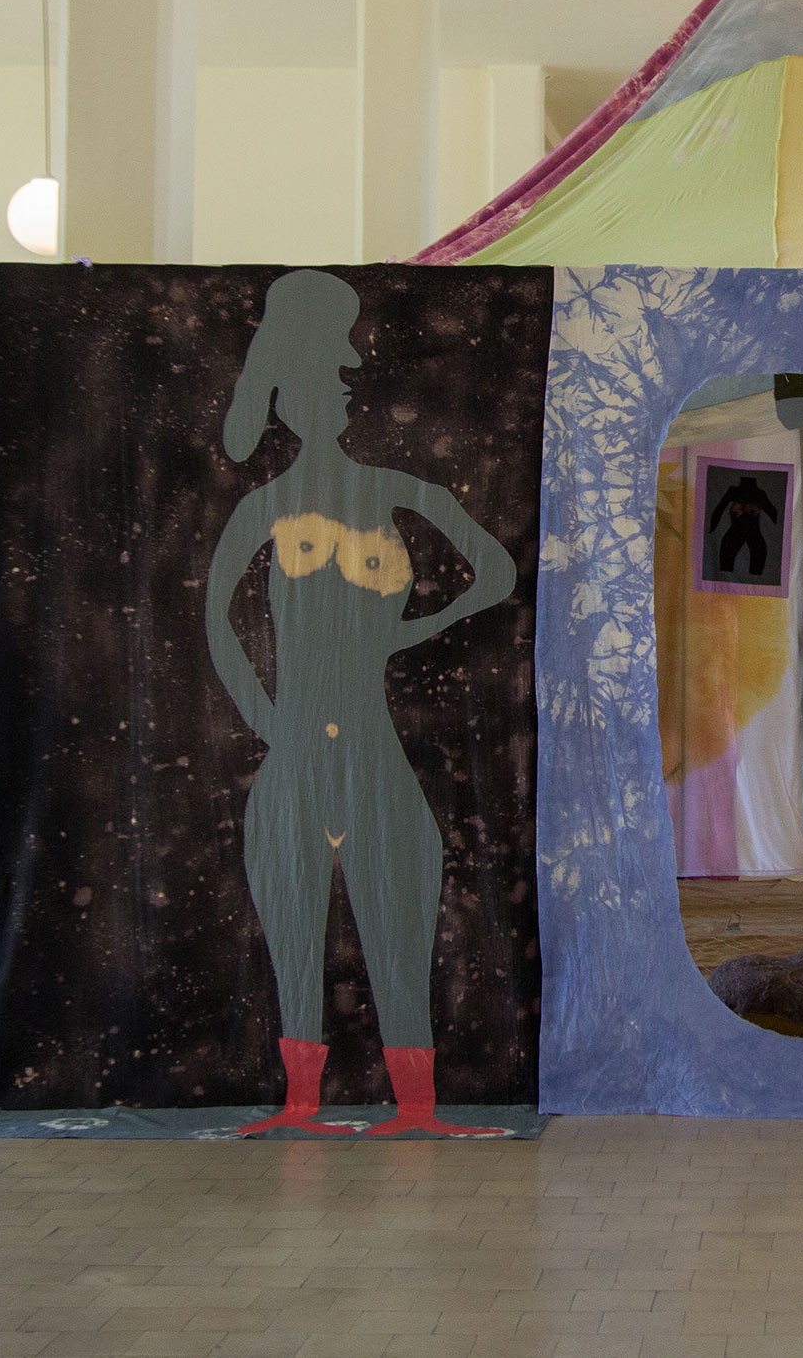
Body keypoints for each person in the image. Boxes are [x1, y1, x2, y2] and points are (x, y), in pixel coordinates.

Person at [205, 270, 517, 1137]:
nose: (346, 386)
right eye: (328, 376)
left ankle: (415, 1108)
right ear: (296, 395)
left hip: (374, 756)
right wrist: (266, 718)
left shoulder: (395, 491)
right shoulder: (266, 507)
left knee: (398, 921)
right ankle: (301, 1103)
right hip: (297, 760)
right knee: (294, 933)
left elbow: (495, 569)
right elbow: (216, 618)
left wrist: (408, 632)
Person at [707, 471, 780, 578]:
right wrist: (710, 529)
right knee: (725, 570)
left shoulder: (759, 494)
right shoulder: (734, 491)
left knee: (756, 571)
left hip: (753, 537)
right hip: (735, 536)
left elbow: (775, 514)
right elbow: (719, 510)